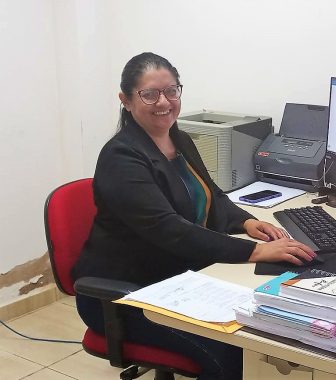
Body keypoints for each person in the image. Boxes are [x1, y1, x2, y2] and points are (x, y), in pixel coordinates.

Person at [72, 52, 315, 380]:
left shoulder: (178, 138)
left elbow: (212, 194)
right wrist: (254, 251)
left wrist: (245, 222)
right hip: (129, 296)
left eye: (172, 91)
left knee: (260, 322)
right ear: (126, 101)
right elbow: (170, 230)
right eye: (149, 94)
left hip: (179, 278)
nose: (164, 102)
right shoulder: (121, 158)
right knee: (230, 350)